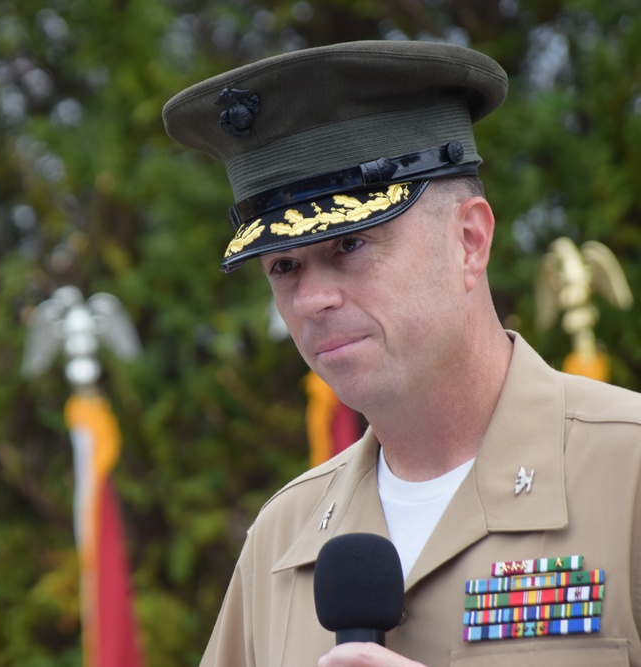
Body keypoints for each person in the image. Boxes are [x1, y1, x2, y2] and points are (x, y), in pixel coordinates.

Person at [162, 40, 641, 666]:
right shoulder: (283, 539)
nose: (312, 300)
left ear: (469, 240)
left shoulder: (626, 474)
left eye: (350, 244)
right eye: (283, 266)